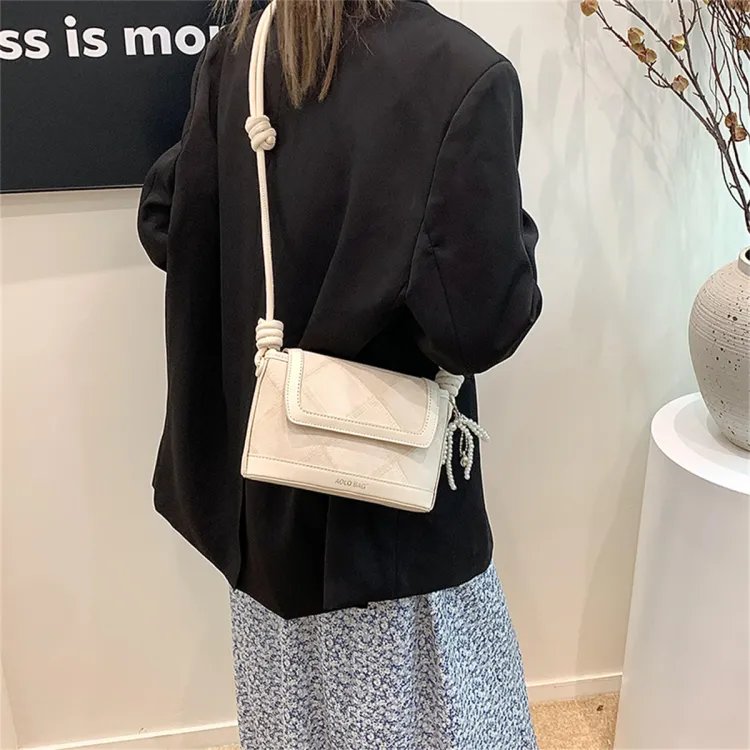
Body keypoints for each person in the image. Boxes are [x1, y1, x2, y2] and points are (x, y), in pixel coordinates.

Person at [138, 0, 542, 747]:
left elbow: (168, 223)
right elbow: (478, 328)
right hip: (388, 522)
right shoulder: (462, 73)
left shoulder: (246, 50)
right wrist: (513, 233)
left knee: (294, 724)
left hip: (267, 503)